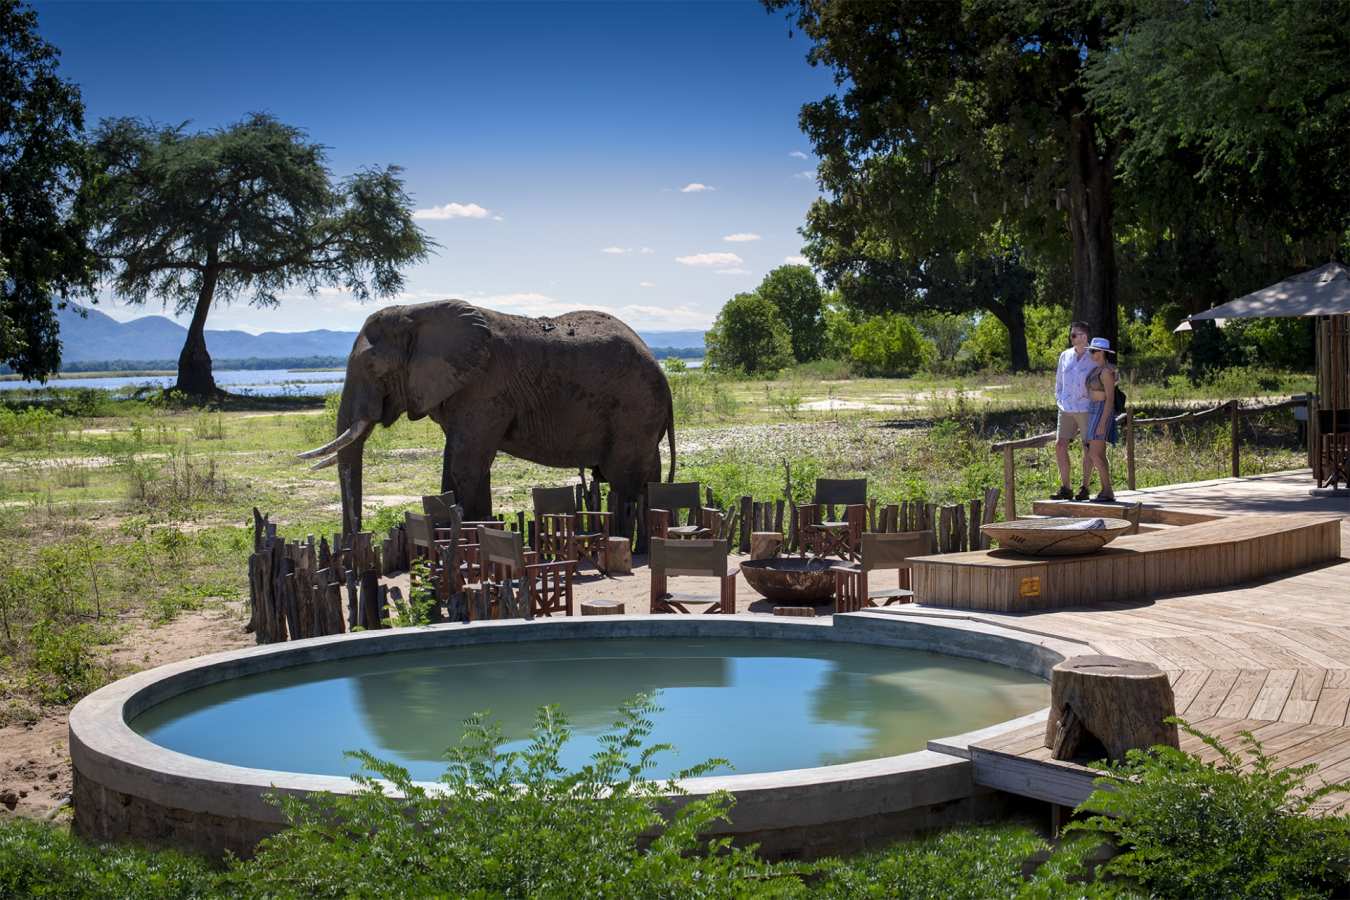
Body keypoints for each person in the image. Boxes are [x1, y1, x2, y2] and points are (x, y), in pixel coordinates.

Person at [1053, 322, 1095, 501]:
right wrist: (1059, 399)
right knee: (1060, 445)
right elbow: (1059, 381)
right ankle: (1066, 488)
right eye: (1071, 335)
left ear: (1084, 337)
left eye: (1074, 335)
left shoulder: (1094, 356)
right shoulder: (1065, 355)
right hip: (1066, 407)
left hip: (1086, 408)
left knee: (1088, 447)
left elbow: (1108, 377)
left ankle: (1085, 487)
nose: (1071, 338)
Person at [1084, 337, 1119, 502]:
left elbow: (1110, 399)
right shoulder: (1096, 369)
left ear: (1103, 352)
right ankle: (1105, 489)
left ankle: (1108, 490)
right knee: (1099, 453)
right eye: (1091, 351)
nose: (1093, 354)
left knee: (1094, 453)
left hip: (1101, 411)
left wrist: (1103, 423)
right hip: (1092, 410)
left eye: (1095, 351)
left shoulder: (1106, 372)